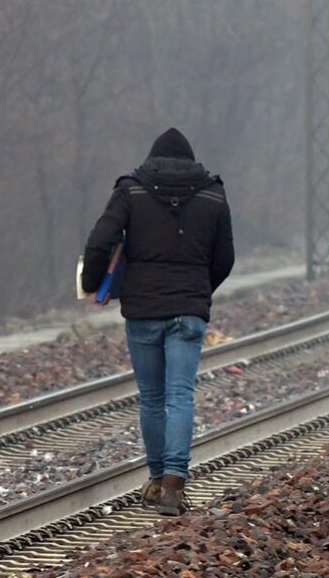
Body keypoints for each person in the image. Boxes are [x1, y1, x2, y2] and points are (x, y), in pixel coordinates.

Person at [82, 128, 234, 517]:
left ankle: (155, 478)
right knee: (180, 394)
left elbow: (100, 239)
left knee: (152, 397)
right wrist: (200, 290)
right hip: (188, 310)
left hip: (144, 310)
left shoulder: (132, 190)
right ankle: (173, 484)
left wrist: (91, 283)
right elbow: (225, 258)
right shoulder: (213, 193)